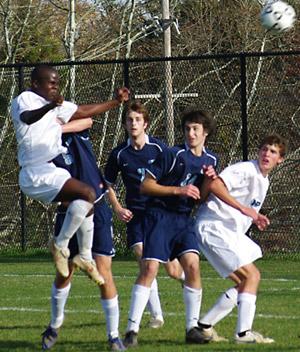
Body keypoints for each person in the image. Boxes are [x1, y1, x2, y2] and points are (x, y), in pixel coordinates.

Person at [11, 64, 129, 282]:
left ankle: (84, 256)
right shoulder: (25, 99)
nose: (55, 86)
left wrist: (115, 102)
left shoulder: (54, 104)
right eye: (51, 83)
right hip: (34, 174)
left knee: (87, 199)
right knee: (86, 193)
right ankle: (59, 245)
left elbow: (82, 111)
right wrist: (50, 108)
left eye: (57, 83)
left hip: (50, 169)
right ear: (36, 84)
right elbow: (27, 118)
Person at [122, 108, 218, 347]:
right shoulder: (172, 154)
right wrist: (178, 190)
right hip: (160, 216)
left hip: (183, 219)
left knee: (193, 267)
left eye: (195, 128)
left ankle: (191, 328)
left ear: (205, 132)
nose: (191, 133)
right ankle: (131, 329)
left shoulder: (211, 160)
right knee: (150, 269)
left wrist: (209, 180)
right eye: (187, 129)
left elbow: (202, 197)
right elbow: (146, 186)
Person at [41, 118, 126, 350]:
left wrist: (57, 126)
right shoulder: (43, 148)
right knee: (64, 273)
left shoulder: (76, 130)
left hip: (97, 210)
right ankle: (54, 326)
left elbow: (87, 120)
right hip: (68, 213)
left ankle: (114, 336)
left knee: (103, 271)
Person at [194, 134, 287, 344]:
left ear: (280, 159)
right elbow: (216, 185)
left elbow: (247, 209)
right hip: (214, 226)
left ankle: (203, 327)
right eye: (264, 149)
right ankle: (243, 334)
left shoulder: (263, 181)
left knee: (246, 283)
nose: (267, 154)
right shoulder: (246, 169)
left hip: (228, 231)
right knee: (252, 276)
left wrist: (253, 218)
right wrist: (246, 210)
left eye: (273, 151)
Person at [105, 100, 184, 329]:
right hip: (136, 216)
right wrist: (118, 207)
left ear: (145, 123)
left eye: (137, 119)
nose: (133, 123)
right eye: (129, 120)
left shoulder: (159, 149)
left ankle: (187, 282)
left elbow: (173, 176)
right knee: (145, 264)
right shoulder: (119, 154)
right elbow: (107, 184)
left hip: (159, 215)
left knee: (171, 269)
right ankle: (157, 316)